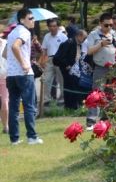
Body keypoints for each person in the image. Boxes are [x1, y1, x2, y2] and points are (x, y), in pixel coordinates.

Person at [5, 9, 42, 144]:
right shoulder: (24, 32)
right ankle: (32, 137)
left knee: (14, 107)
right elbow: (15, 47)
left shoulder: (11, 33)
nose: (33, 20)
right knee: (29, 105)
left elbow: (5, 53)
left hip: (11, 75)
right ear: (22, 20)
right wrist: (24, 63)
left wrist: (15, 63)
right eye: (30, 18)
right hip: (24, 74)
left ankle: (14, 139)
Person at [84, 13, 116, 128]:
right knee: (96, 94)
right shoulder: (93, 35)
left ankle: (105, 119)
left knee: (110, 94)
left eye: (111, 25)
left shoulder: (114, 34)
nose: (109, 27)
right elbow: (89, 51)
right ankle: (91, 121)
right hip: (100, 68)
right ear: (100, 24)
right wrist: (101, 44)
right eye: (106, 25)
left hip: (113, 69)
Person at [53, 29, 89, 110]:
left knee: (74, 87)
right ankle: (70, 106)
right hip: (68, 69)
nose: (84, 40)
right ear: (79, 36)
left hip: (74, 70)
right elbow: (59, 58)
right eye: (84, 38)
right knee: (69, 87)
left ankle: (74, 106)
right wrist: (67, 65)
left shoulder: (77, 44)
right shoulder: (69, 43)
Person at [40, 18, 67, 107]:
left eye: (54, 26)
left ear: (58, 27)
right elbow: (44, 50)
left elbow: (68, 49)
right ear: (48, 27)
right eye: (50, 26)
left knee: (62, 80)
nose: (52, 28)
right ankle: (47, 99)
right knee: (47, 79)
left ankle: (62, 99)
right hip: (50, 59)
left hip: (60, 60)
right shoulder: (47, 36)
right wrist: (42, 60)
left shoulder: (63, 36)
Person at [0, 31, 8, 134]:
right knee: (4, 102)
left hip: (5, 76)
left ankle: (6, 126)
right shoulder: (7, 43)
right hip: (4, 75)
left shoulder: (7, 43)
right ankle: (5, 125)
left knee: (5, 102)